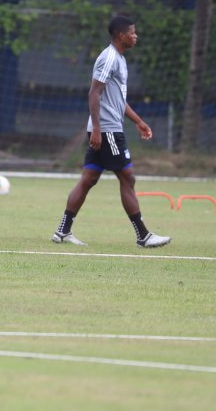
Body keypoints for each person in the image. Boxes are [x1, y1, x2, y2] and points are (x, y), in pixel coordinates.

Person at [52, 16, 170, 248]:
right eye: (132, 33)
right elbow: (94, 93)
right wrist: (98, 129)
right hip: (107, 131)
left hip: (106, 129)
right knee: (127, 178)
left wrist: (138, 121)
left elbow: (117, 100)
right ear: (121, 36)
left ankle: (63, 231)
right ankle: (143, 236)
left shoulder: (120, 59)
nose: (136, 36)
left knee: (88, 179)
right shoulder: (108, 58)